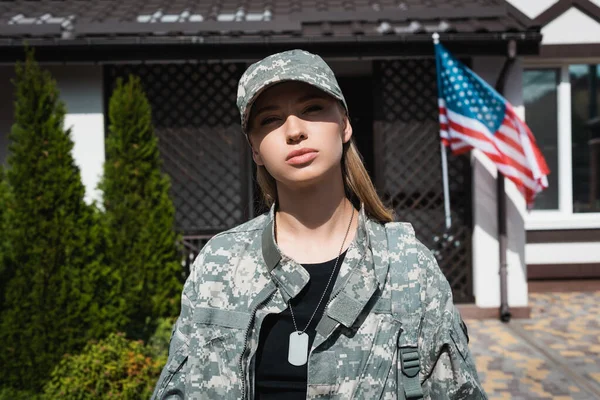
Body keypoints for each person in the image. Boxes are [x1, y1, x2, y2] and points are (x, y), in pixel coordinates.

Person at [151, 49, 486, 400]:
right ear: (255, 149)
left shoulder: (408, 268)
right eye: (270, 120)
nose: (294, 131)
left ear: (344, 124)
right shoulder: (219, 264)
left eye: (312, 109)